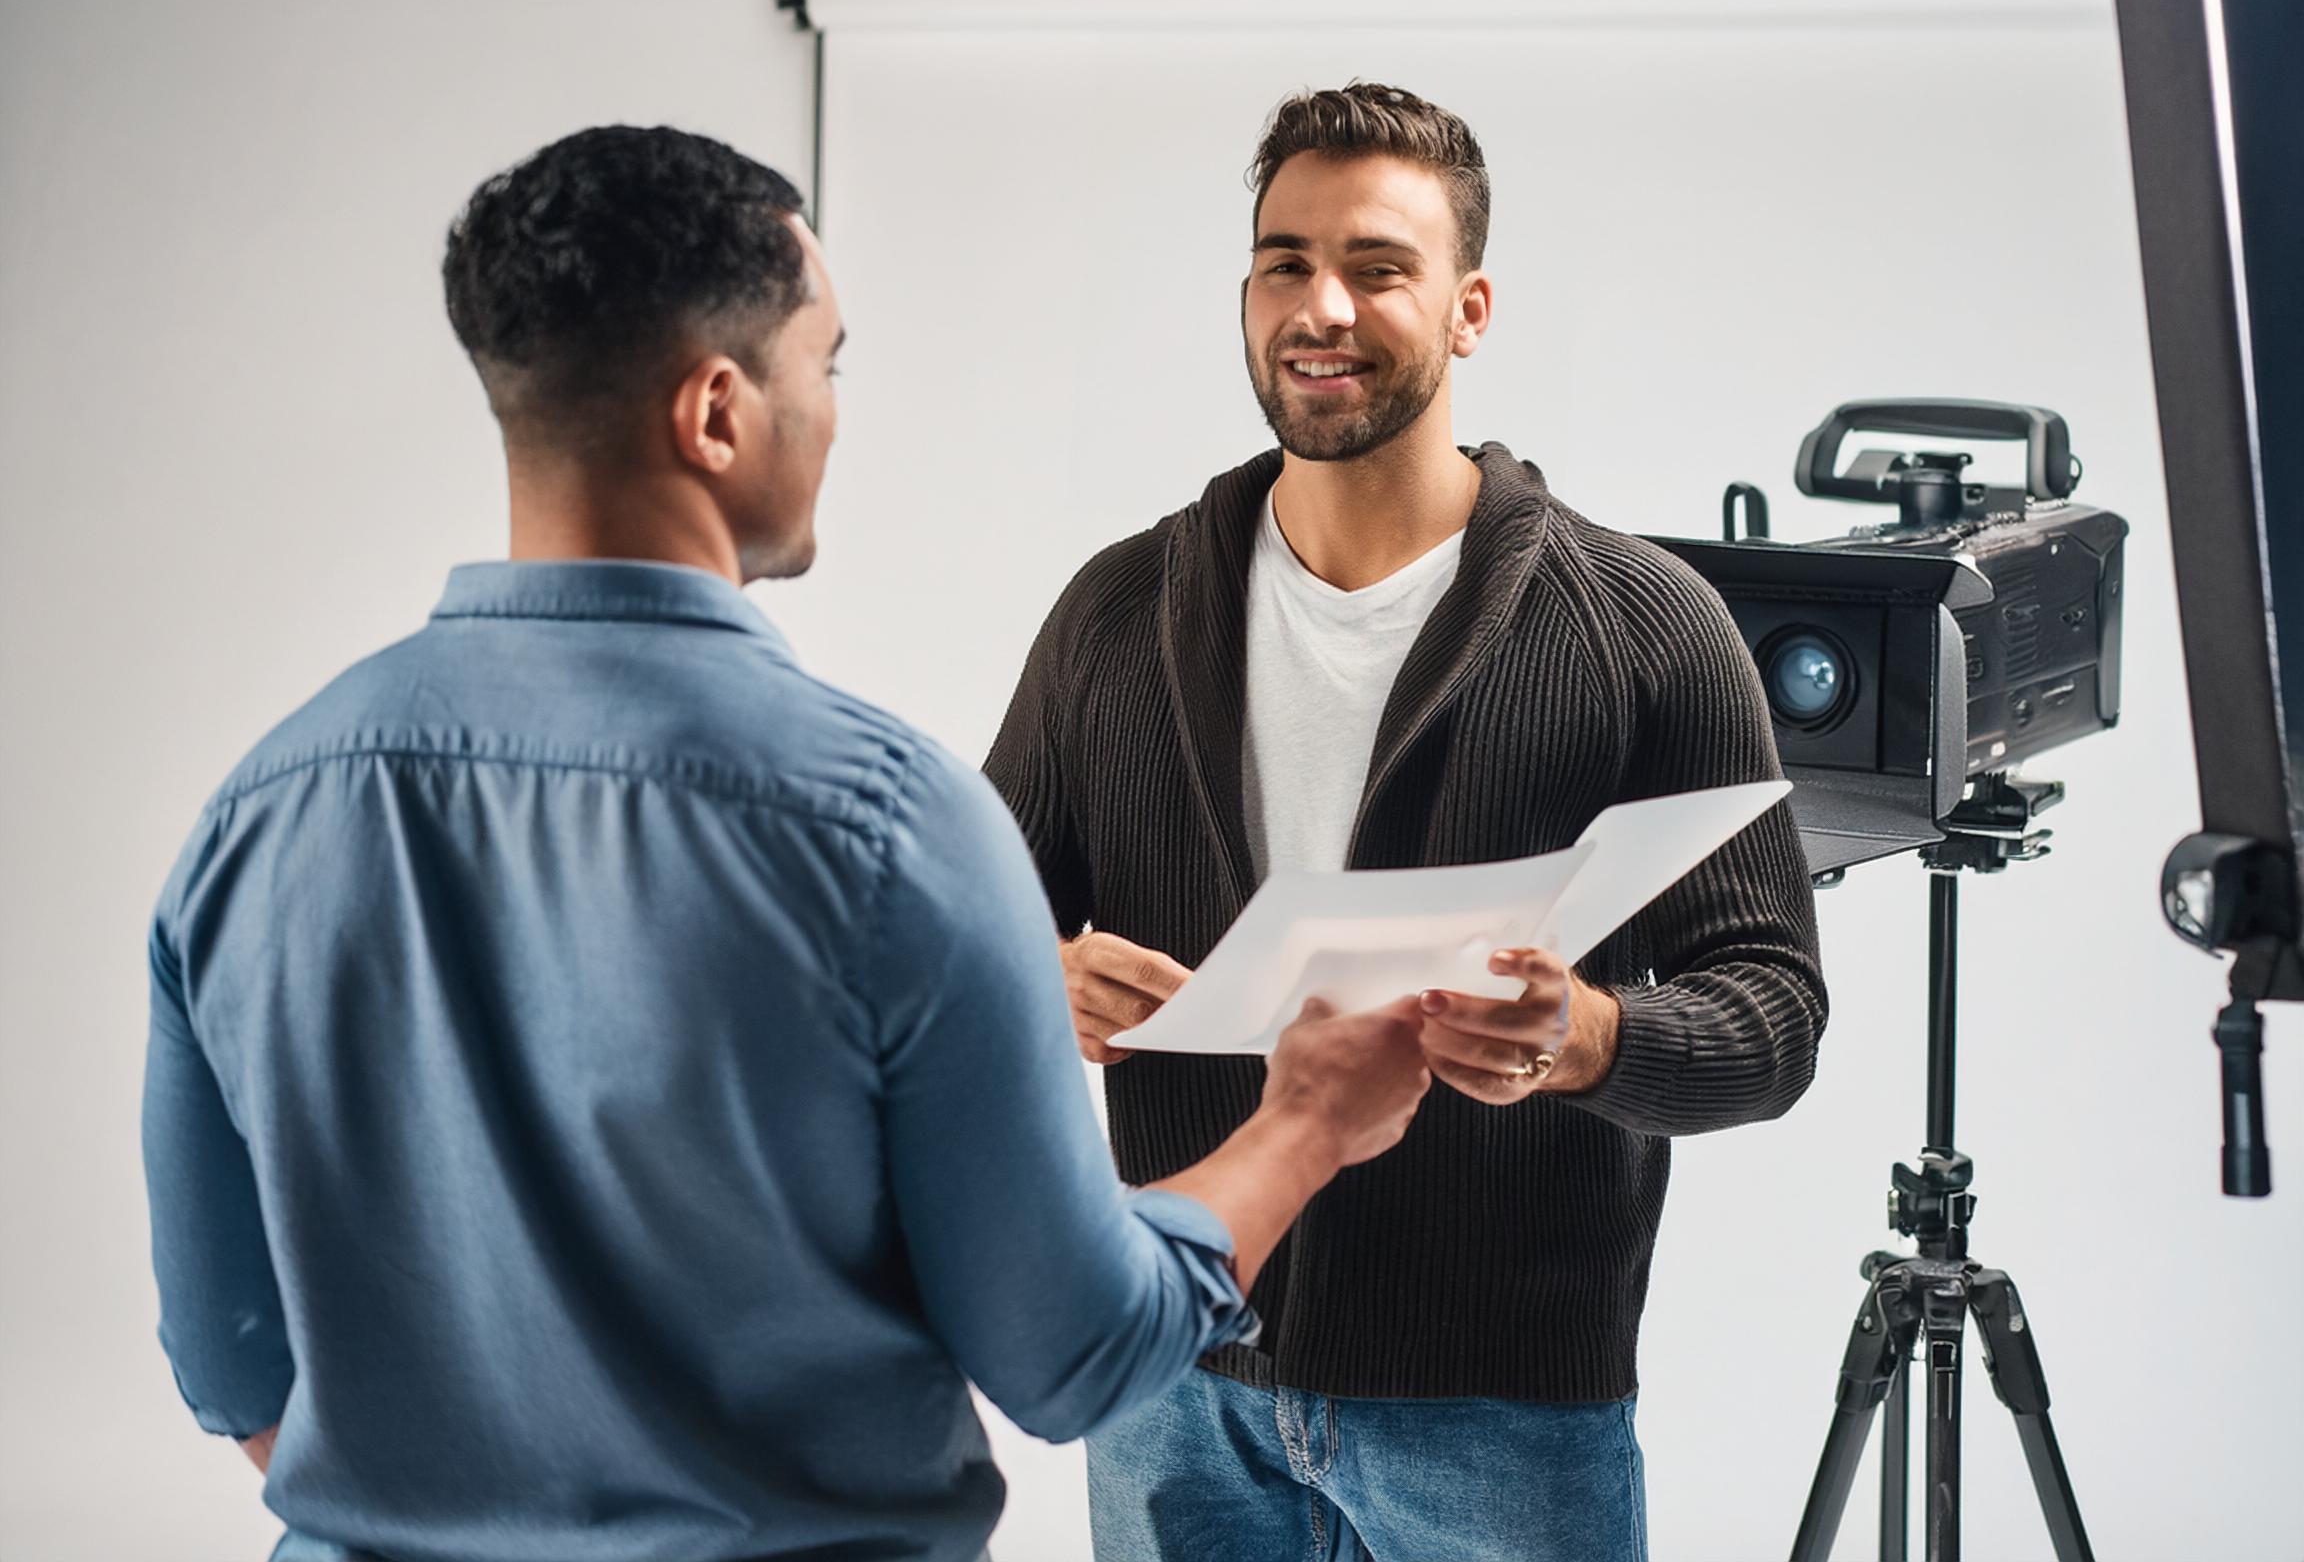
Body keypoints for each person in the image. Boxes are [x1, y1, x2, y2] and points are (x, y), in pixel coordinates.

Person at [140, 124, 1435, 1562]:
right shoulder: (890, 829)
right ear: (715, 413)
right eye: (825, 364)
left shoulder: (259, 814)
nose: (830, 412)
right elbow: (1072, 1357)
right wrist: (1308, 1121)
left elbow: (234, 1368)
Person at [985, 84, 1827, 1561]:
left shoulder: (1650, 628)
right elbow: (962, 934)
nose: (1322, 306)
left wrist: (1588, 1038)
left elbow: (1773, 1014)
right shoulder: (1113, 616)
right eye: (1283, 261)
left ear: (1468, 309)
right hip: (1174, 1375)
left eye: (1379, 267)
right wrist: (1033, 980)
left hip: (1500, 1411)